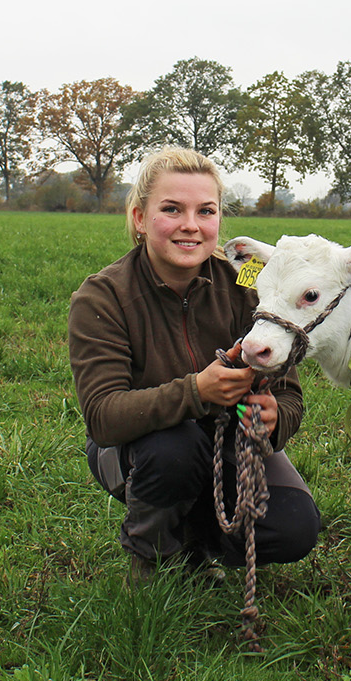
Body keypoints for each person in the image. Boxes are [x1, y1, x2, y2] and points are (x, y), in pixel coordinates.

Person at [68, 147, 320, 583]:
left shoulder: (247, 290)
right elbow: (103, 417)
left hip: (227, 446)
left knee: (294, 526)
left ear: (219, 220)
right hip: (137, 451)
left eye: (206, 211)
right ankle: (152, 560)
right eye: (171, 209)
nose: (190, 225)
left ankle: (195, 541)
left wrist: (272, 416)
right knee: (175, 449)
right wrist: (197, 392)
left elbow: (290, 397)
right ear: (139, 219)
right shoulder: (102, 298)